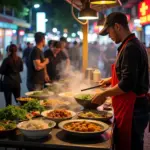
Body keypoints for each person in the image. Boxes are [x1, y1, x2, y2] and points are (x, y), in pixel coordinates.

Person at [92, 12, 149, 150]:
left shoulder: (131, 48)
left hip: (133, 109)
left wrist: (103, 94)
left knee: (130, 146)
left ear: (117, 26)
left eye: (109, 32)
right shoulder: (132, 44)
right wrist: (110, 79)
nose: (109, 37)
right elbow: (130, 74)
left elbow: (127, 84)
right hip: (133, 107)